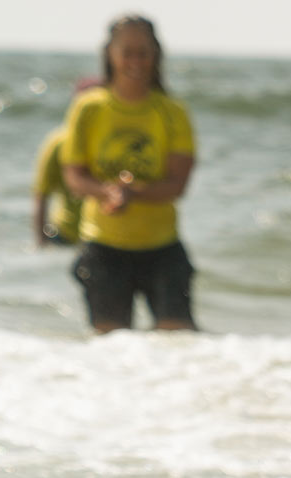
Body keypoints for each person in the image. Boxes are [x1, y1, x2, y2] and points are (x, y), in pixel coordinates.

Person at [60, 14, 196, 333]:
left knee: (180, 341)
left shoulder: (172, 112)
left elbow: (178, 184)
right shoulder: (88, 107)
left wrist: (135, 193)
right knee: (111, 347)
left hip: (162, 246)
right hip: (103, 245)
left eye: (143, 52)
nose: (135, 60)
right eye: (127, 51)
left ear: (156, 54)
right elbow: (74, 177)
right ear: (110, 54)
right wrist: (107, 192)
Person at [30, 79, 101, 248]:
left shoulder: (112, 144)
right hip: (65, 237)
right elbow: (41, 194)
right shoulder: (59, 143)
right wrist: (40, 243)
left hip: (102, 237)